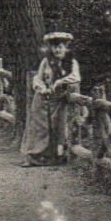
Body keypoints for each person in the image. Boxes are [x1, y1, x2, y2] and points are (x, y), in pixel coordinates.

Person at [20, 31, 80, 167]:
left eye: (60, 47)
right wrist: (42, 88)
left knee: (58, 125)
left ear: (65, 48)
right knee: (39, 124)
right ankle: (35, 155)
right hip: (45, 96)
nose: (57, 50)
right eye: (54, 47)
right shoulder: (46, 61)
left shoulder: (71, 62)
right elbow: (38, 78)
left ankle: (57, 156)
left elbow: (76, 77)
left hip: (60, 99)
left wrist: (60, 82)